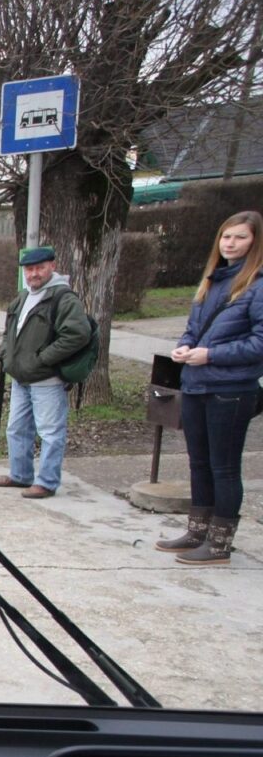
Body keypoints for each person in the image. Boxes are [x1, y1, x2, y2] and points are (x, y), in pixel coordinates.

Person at [156, 210, 263, 565]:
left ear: (255, 242)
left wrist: (211, 355)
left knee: (224, 467)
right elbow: (193, 327)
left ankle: (219, 544)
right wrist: (184, 347)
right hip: (197, 384)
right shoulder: (211, 281)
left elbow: (259, 343)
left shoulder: (258, 284)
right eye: (226, 237)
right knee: (198, 463)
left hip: (231, 389)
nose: (230, 243)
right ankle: (197, 531)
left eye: (240, 237)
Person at [0, 245, 90, 499]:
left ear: (52, 267)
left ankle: (46, 481)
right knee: (16, 428)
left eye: (39, 268)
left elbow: (77, 334)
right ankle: (20, 474)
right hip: (21, 376)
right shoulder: (23, 297)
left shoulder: (63, 298)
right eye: (29, 269)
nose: (34, 274)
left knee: (50, 431)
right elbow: (9, 331)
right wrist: (7, 354)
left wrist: (43, 359)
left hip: (47, 378)